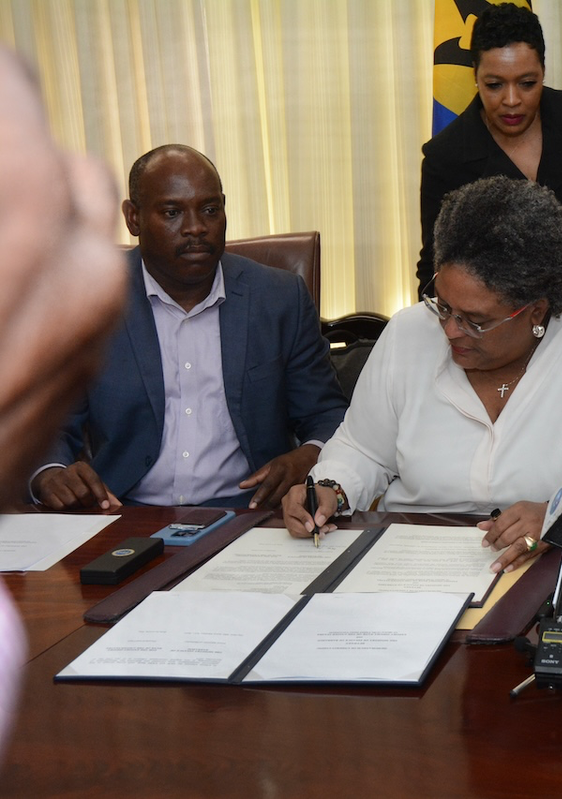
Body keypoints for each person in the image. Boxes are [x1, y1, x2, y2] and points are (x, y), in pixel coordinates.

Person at [284, 176, 562, 574]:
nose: (449, 330)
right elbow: (363, 450)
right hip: (411, 568)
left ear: (536, 310)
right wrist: (330, 489)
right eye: (443, 306)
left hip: (556, 569)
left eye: (475, 321)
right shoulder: (409, 333)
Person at [31, 144, 348, 511]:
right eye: (172, 212)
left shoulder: (278, 299)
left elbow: (325, 414)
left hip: (251, 514)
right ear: (133, 218)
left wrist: (306, 456)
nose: (196, 228)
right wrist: (49, 472)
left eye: (210, 210)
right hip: (121, 513)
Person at [0, 47, 129, 758]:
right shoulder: (96, 295)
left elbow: (324, 417)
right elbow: (63, 438)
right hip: (111, 536)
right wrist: (42, 466)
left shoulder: (271, 299)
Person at [417, 2, 562, 294]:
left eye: (527, 83)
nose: (512, 100)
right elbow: (435, 269)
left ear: (543, 71)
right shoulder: (446, 156)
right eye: (494, 85)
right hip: (498, 328)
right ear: (475, 76)